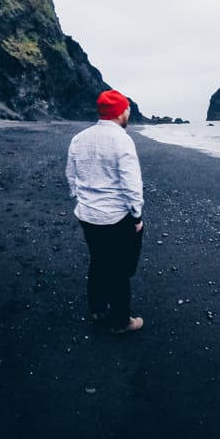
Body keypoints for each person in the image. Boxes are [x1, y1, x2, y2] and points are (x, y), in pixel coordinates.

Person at [66, 89, 145, 333]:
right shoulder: (122, 139)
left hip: (88, 215)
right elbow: (131, 183)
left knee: (98, 261)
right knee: (120, 268)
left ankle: (98, 309)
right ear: (121, 112)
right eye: (127, 110)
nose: (128, 113)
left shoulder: (79, 138)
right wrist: (137, 216)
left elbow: (71, 175)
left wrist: (82, 199)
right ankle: (122, 321)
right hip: (116, 216)